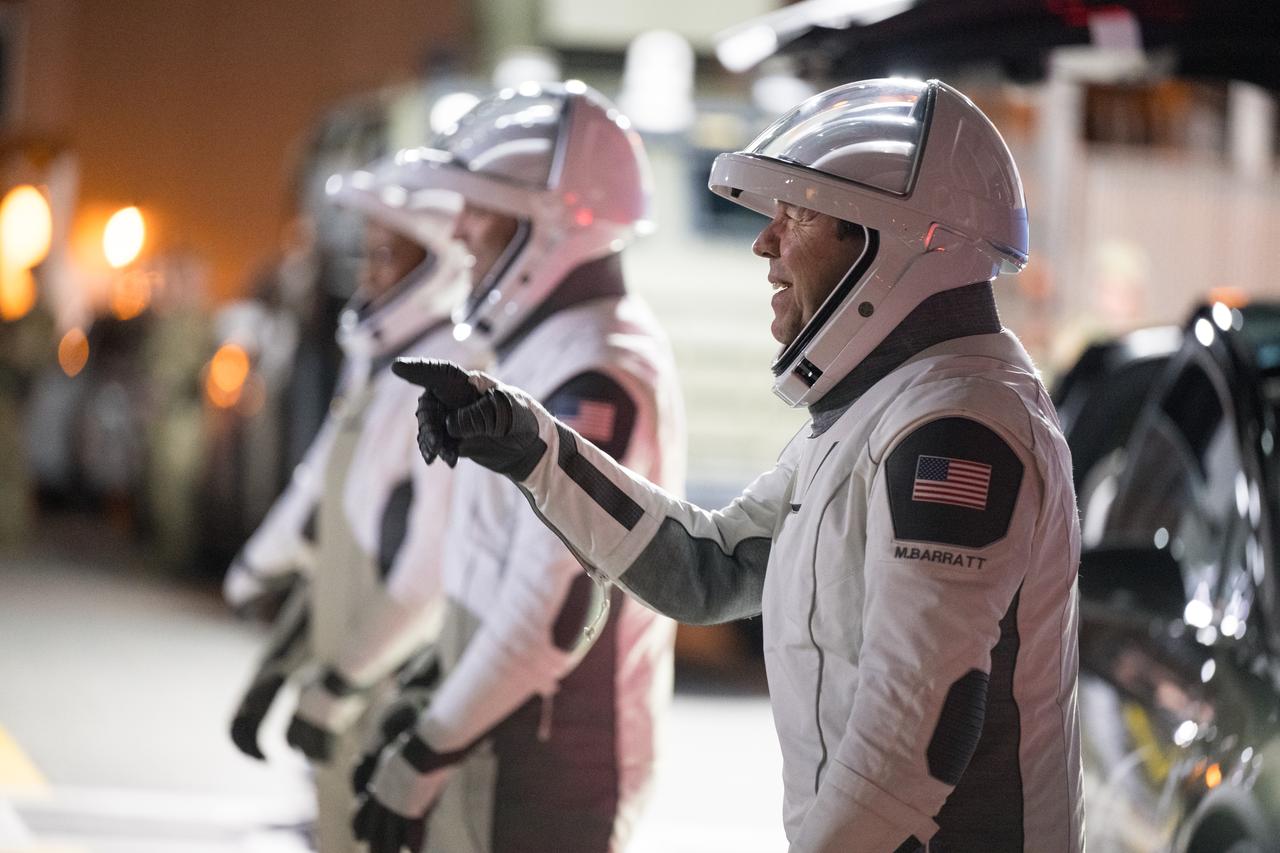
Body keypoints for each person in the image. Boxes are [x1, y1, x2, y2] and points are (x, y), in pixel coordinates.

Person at [396, 78, 1084, 852]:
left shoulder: (958, 424)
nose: (766, 241)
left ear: (888, 243)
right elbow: (709, 567)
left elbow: (917, 735)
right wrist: (532, 445)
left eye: (799, 214)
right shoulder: (888, 407)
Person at [352, 82, 686, 853]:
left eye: (482, 206)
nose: (459, 228)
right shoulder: (553, 346)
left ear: (551, 224)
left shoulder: (598, 368)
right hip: (512, 738)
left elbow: (553, 609)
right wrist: (434, 686)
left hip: (548, 757)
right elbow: (494, 562)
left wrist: (427, 748)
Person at [223, 159, 481, 852]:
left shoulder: (448, 375)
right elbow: (322, 498)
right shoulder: (380, 361)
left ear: (438, 263)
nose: (368, 273)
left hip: (389, 689)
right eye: (366, 254)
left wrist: (342, 681)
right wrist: (259, 576)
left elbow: (429, 567)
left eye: (386, 255)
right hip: (349, 675)